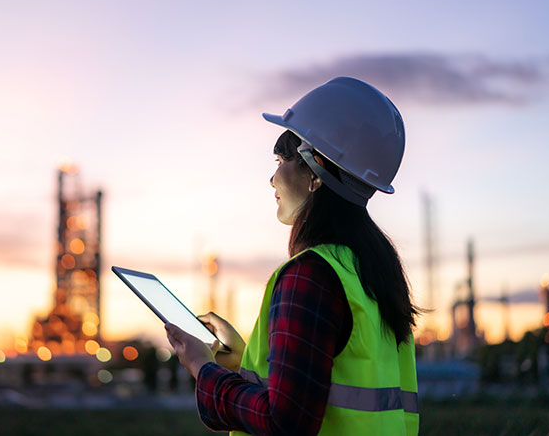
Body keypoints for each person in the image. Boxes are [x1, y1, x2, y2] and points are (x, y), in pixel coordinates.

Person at [165, 77, 420, 435]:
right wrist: (241, 361)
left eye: (281, 159)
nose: (272, 178)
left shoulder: (310, 276)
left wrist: (203, 369)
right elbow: (327, 389)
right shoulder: (372, 275)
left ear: (315, 169)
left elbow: (285, 421)